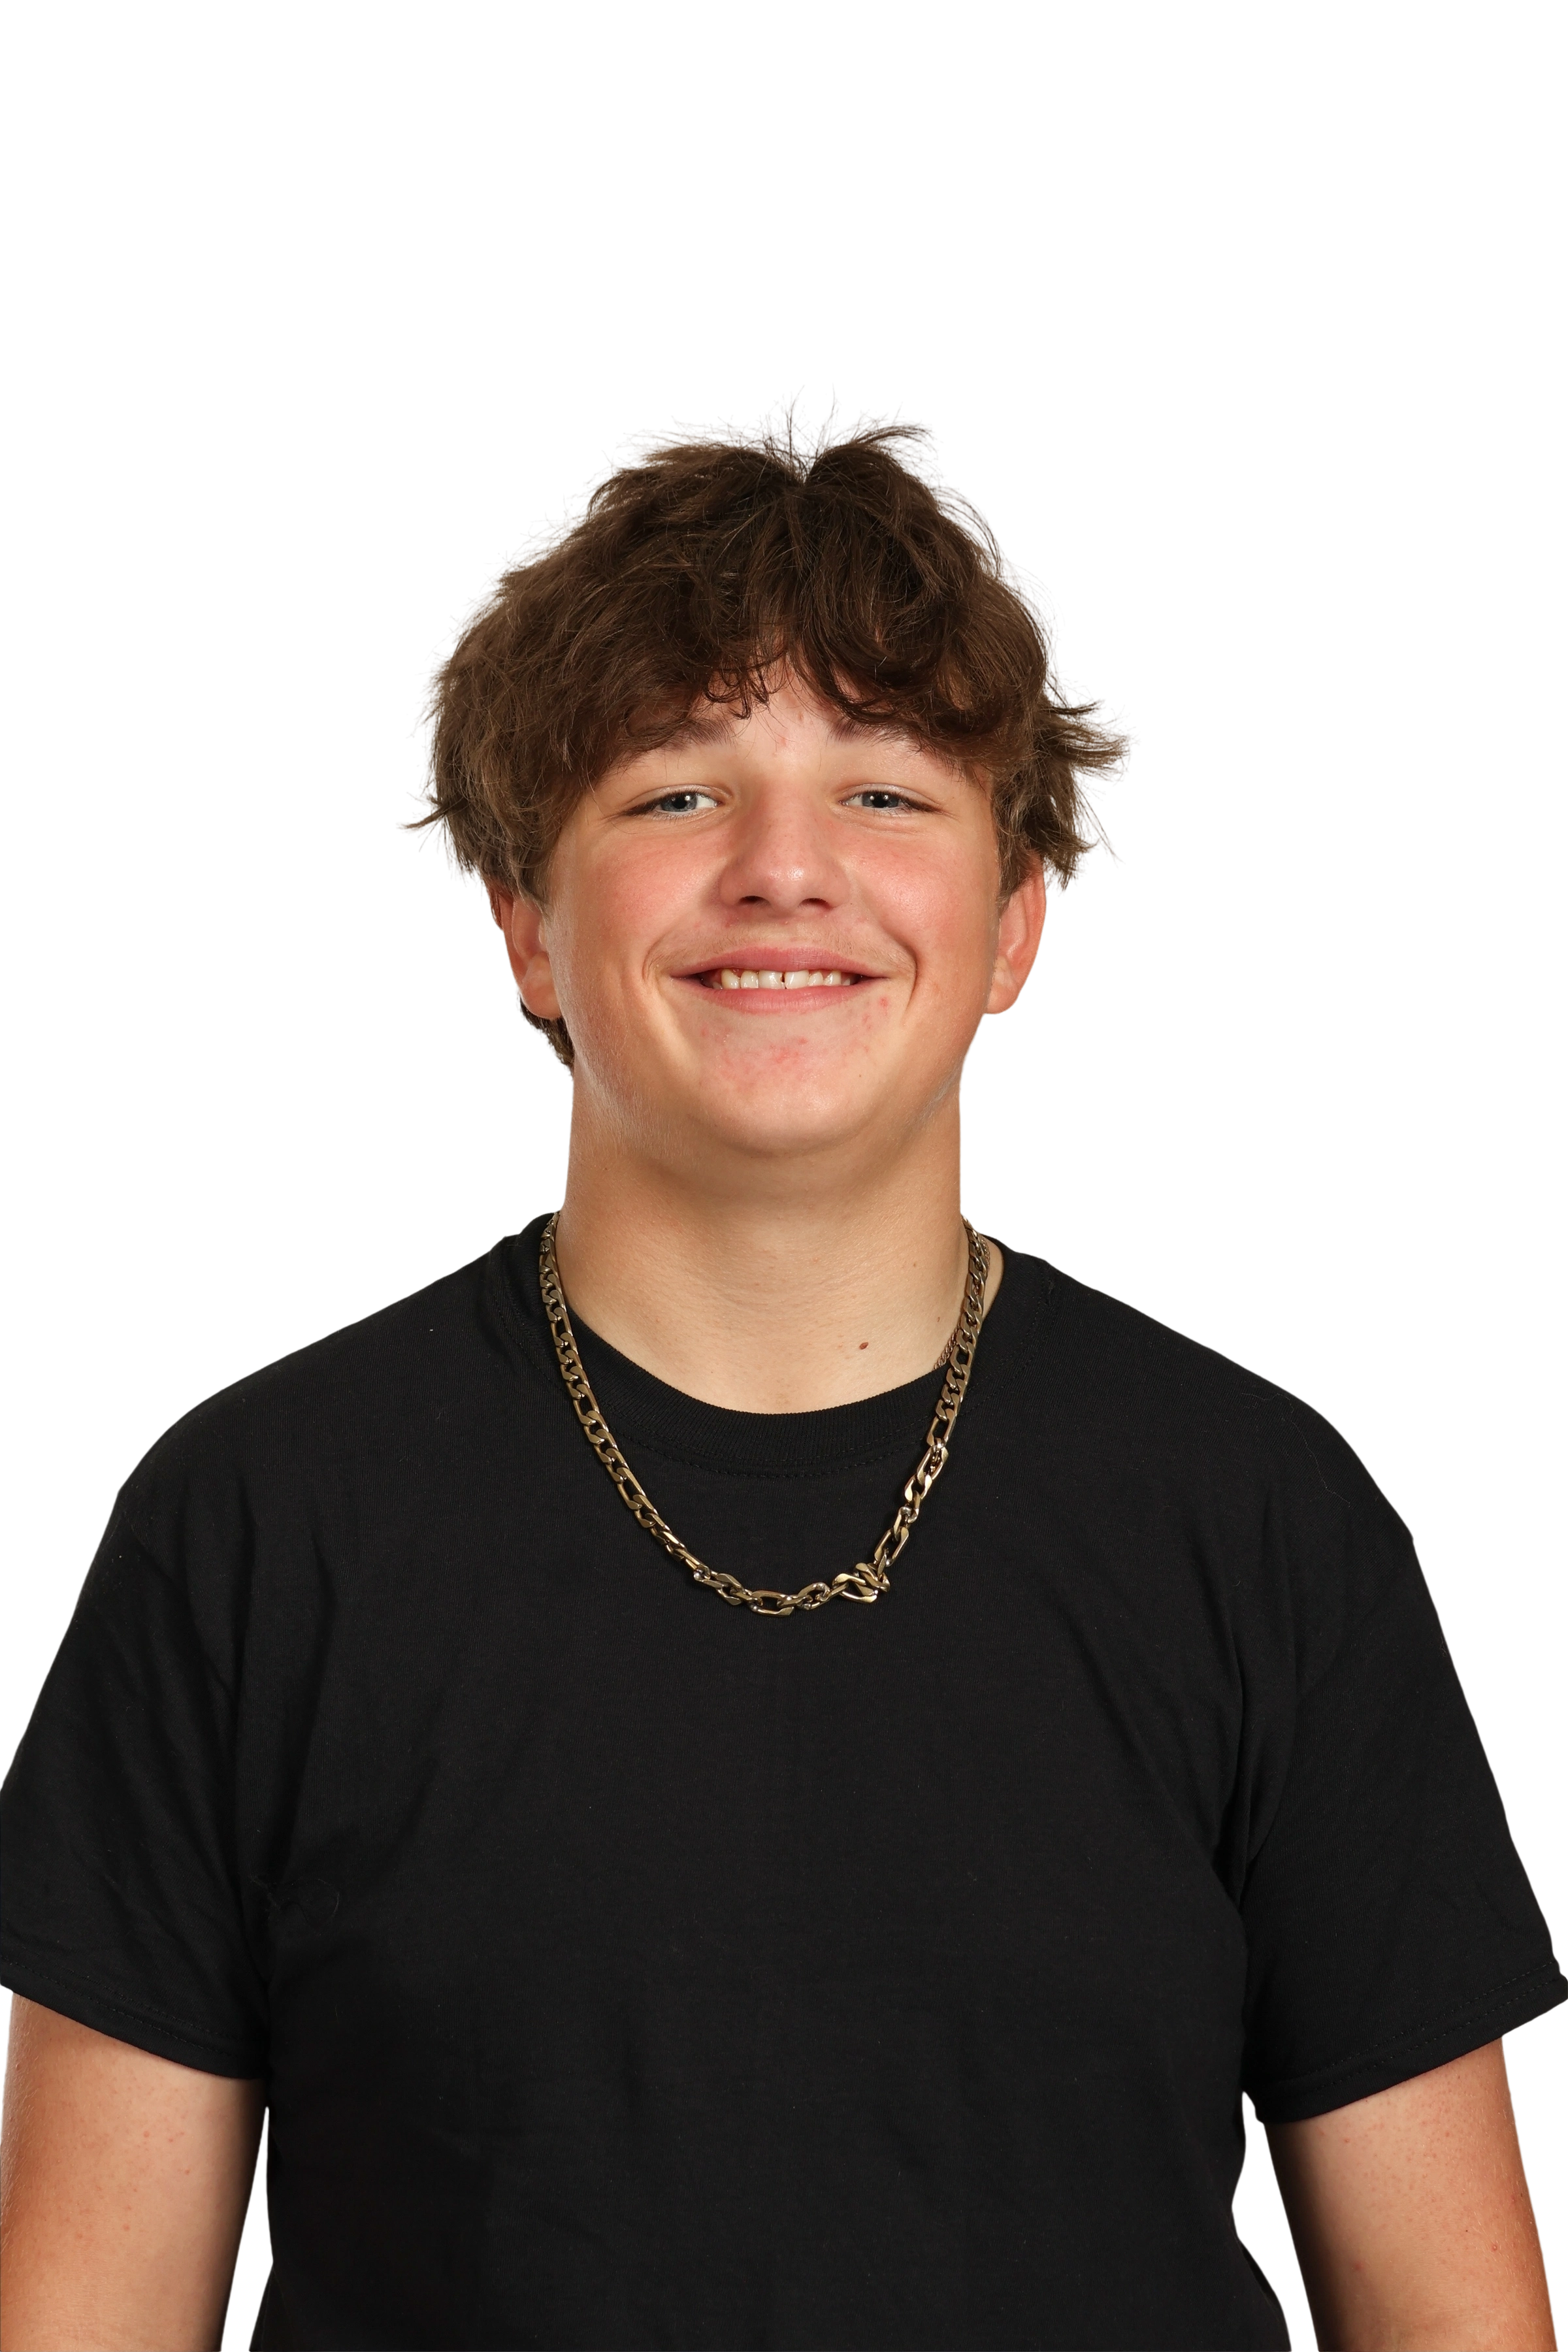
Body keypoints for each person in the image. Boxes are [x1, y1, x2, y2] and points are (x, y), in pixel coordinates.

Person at [1, 389, 1561, 2352]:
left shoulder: (1262, 1519)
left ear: (1016, 923)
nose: (783, 870)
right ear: (526, 928)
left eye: (887, 791)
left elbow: (1456, 2329)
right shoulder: (255, 1527)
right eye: (675, 791)